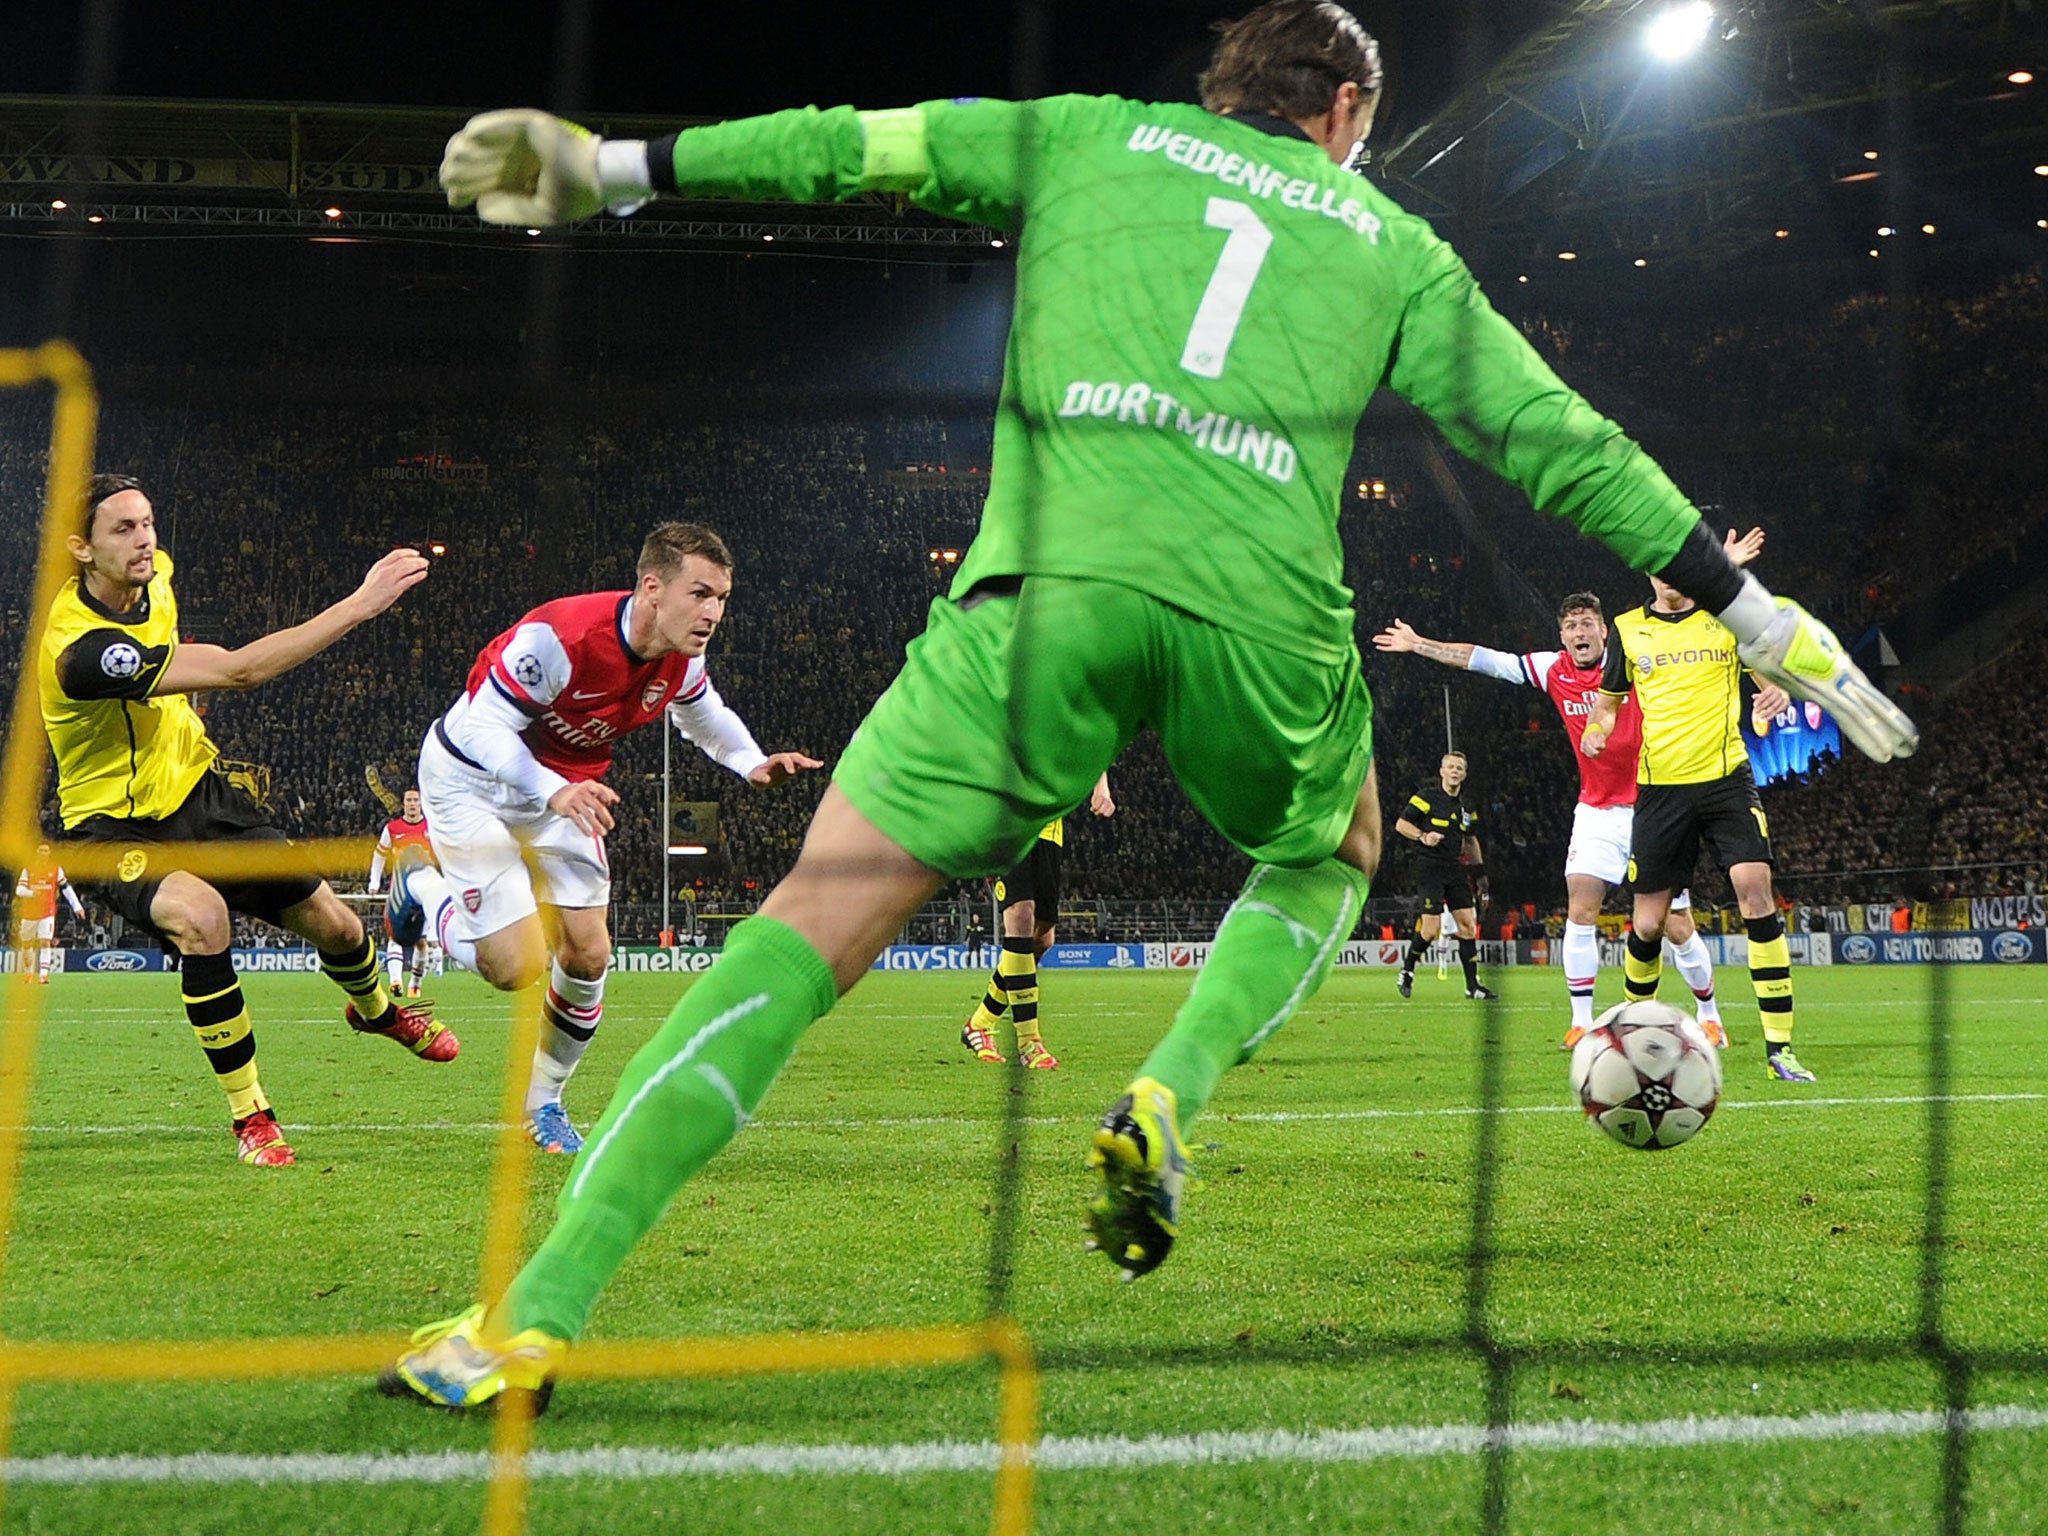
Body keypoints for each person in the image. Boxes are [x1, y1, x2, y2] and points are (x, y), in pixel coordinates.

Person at [384, 0, 1913, 1410]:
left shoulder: (1090, 132)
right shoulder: (1386, 239)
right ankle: (1169, 1090)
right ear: (1349, 110)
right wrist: (1764, 617)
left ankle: (526, 1317)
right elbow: (1557, 442)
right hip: (1262, 617)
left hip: (1041, 598)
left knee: (802, 930)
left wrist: (618, 164)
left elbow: (852, 143)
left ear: (1222, 92)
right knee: (1336, 851)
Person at [39, 474, 451, 1168]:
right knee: (203, 920)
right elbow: (236, 671)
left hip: (199, 797)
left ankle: (378, 1009)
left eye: (147, 523)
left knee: (340, 926)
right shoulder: (84, 653)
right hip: (110, 827)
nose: (144, 540)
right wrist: (358, 606)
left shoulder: (154, 574)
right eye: (122, 530)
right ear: (81, 549)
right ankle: (252, 1116)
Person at [409, 522, 822, 1155]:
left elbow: (702, 713)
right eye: (701, 594)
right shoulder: (561, 638)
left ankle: (543, 1103)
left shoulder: (683, 653)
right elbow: (484, 730)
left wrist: (750, 762)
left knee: (589, 956)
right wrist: (553, 790)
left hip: (565, 793)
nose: (713, 613)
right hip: (471, 780)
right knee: (514, 966)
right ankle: (422, 889)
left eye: (721, 599)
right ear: (653, 588)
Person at [1373, 534, 1774, 1048]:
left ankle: (1710, 1013)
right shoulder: (1552, 670)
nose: (1579, 631)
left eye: (1588, 623)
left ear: (1605, 631)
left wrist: (1719, 576)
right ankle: (1582, 1022)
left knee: (1674, 925)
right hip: (1597, 810)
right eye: (1570, 624)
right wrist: (1419, 644)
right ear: (1561, 635)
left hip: (1657, 804)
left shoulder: (1635, 653)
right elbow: (1482, 658)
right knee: (1580, 906)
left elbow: (1692, 626)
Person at [1583, 570, 1810, 1081]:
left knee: (1755, 891)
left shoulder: (1723, 619)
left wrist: (1774, 694)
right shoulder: (1626, 628)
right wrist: (1597, 731)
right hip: (1661, 790)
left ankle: (1780, 1050)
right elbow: (1607, 702)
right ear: (1646, 572)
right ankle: (1631, 1042)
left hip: (1727, 780)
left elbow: (1767, 670)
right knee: (1647, 923)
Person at [961, 773, 1114, 1069]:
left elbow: (1092, 732)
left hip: (1049, 828)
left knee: (1042, 940)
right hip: (1005, 821)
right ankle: (1029, 1043)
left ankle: (979, 1023)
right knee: (1020, 914)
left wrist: (1100, 785)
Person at [1389, 750, 1496, 1001]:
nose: (1455, 771)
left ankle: (1472, 986)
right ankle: (1407, 970)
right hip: (1430, 867)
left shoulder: (1467, 808)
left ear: (1465, 774)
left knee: (1469, 925)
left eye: (1460, 767)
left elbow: (1470, 840)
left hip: (1455, 868)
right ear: (1442, 771)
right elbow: (1401, 824)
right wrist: (1423, 836)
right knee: (1431, 927)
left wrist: (1480, 874)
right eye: (1451, 767)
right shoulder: (1426, 797)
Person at [367, 788, 438, 997]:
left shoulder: (432, 827)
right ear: (403, 804)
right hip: (399, 891)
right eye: (409, 800)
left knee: (421, 942)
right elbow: (379, 855)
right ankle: (396, 981)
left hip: (425, 893)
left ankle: (415, 983)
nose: (413, 804)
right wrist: (374, 881)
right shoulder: (392, 829)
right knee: (395, 936)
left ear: (421, 803)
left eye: (416, 800)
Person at [12, 844, 84, 985]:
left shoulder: (56, 870)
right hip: (29, 914)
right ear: (37, 852)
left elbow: (66, 888)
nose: (44, 853)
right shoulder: (28, 869)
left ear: (49, 853)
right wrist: (32, 893)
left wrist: (77, 906)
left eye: (46, 850)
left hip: (47, 912)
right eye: (41, 850)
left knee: (45, 942)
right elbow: (19, 890)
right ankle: (29, 973)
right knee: (27, 945)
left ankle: (43, 976)